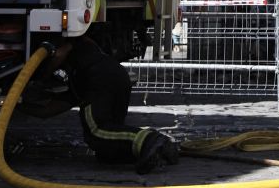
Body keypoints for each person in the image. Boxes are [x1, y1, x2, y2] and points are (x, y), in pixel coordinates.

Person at [25, 23, 179, 174]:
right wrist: (17, 104)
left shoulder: (69, 40)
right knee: (106, 150)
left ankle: (149, 140)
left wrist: (40, 78)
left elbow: (59, 53)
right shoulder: (74, 84)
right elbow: (47, 111)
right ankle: (155, 151)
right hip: (117, 77)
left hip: (99, 78)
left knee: (97, 131)